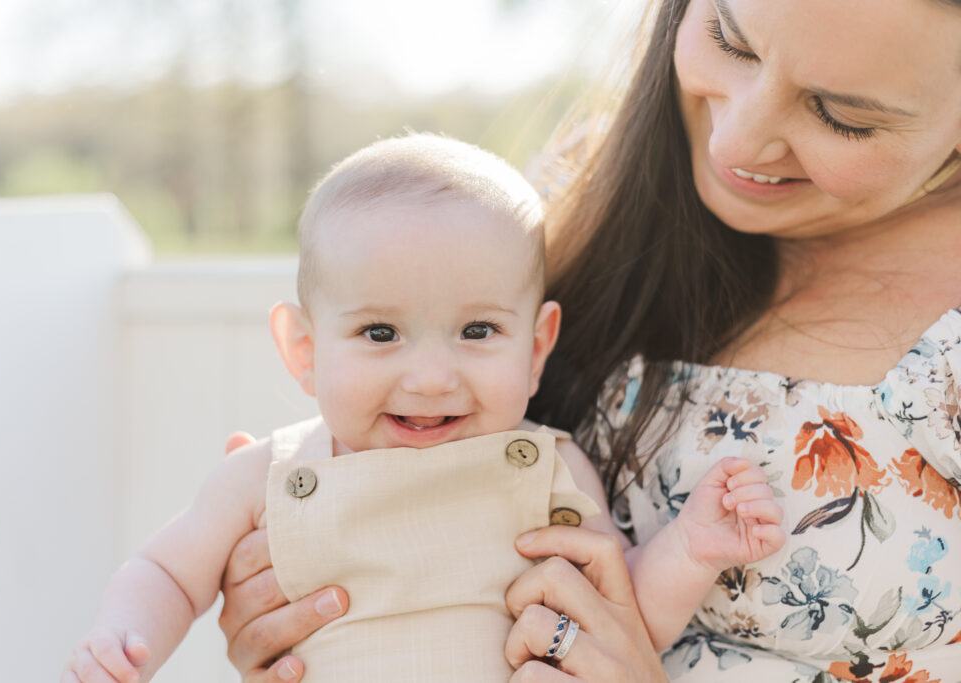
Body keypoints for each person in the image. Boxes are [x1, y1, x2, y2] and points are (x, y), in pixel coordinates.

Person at [212, 0, 961, 680]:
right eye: (729, 40)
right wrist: (304, 620)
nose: (737, 138)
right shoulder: (570, 190)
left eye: (842, 115)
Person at [62, 133, 782, 683]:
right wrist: (126, 643)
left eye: (478, 331)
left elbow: (621, 619)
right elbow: (164, 572)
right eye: (381, 333)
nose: (433, 377)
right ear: (305, 348)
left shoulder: (551, 468)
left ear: (536, 348)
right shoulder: (266, 474)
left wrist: (690, 548)